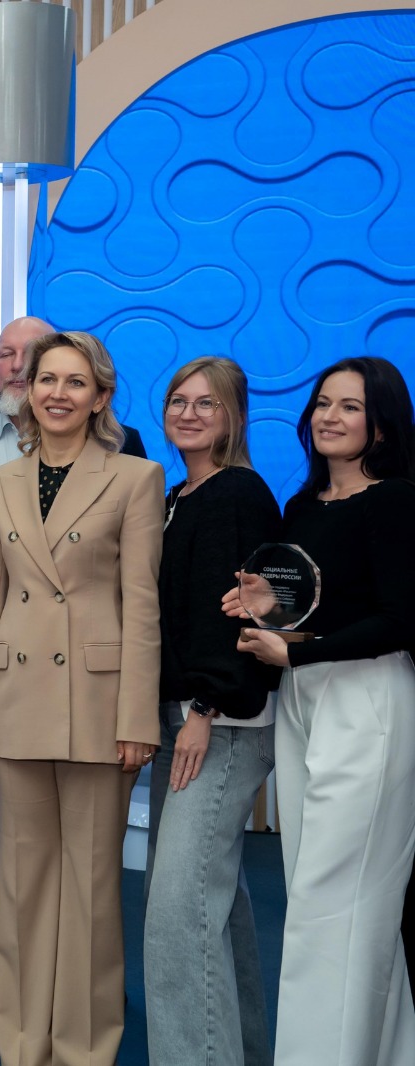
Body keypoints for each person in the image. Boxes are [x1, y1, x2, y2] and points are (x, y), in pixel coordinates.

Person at [0, 331, 163, 1066]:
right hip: (15, 699)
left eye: (76, 382)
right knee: (20, 886)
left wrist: (138, 716)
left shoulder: (136, 478)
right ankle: (23, 1045)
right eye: (47, 379)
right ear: (28, 389)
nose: (57, 393)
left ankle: (83, 1048)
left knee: (91, 890)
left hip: (98, 707)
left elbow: (142, 606)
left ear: (101, 397)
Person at [226, 356, 415, 1065]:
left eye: (350, 407)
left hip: (369, 702)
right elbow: (323, 614)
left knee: (334, 900)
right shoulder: (303, 507)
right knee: (318, 891)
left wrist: (296, 652)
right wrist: (272, 610)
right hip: (305, 700)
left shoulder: (395, 502)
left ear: (381, 425)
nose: (330, 417)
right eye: (323, 403)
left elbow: (400, 620)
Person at [142, 357, 280, 1066]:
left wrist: (204, 705)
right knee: (212, 906)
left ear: (234, 416)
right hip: (183, 719)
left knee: (178, 914)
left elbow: (237, 616)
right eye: (178, 400)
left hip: (219, 723)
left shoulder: (237, 492)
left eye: (207, 403)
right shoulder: (177, 496)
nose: (189, 413)